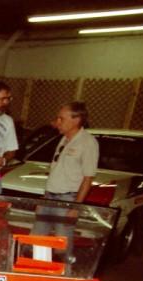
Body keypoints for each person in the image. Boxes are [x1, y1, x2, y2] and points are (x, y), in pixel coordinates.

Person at [33, 102, 99, 267]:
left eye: (61, 118)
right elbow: (56, 171)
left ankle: (64, 276)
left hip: (67, 200)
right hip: (49, 197)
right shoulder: (64, 139)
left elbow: (88, 178)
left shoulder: (88, 142)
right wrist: (44, 198)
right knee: (37, 240)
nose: (57, 122)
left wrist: (76, 206)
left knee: (62, 246)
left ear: (76, 120)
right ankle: (38, 273)